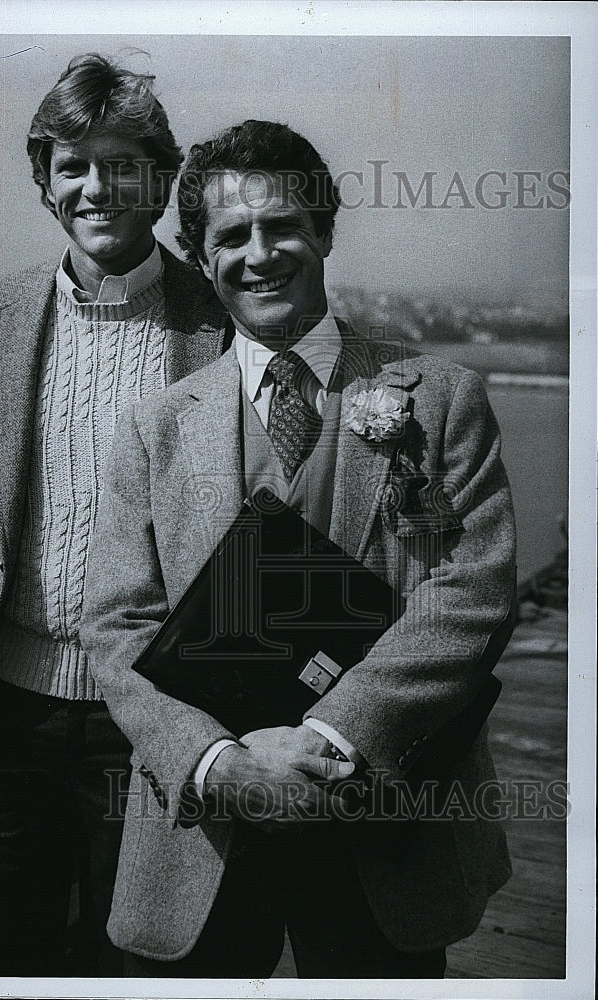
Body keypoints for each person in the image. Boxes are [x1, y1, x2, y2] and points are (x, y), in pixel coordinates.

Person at [82, 120, 518, 978]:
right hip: (200, 841)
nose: (260, 253)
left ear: (324, 232)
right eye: (232, 236)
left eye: (283, 225)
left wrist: (328, 739)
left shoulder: (438, 400)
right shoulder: (154, 431)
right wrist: (223, 763)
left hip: (384, 827)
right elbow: (116, 629)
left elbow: (471, 593)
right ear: (203, 260)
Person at [0, 54, 227, 976]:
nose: (98, 186)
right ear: (45, 180)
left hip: (155, 714)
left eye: (123, 162)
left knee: (147, 965)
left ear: (160, 181)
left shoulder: (219, 319)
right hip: (3, 711)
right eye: (73, 163)